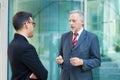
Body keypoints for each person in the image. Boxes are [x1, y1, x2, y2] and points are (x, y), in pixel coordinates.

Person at [56, 10, 101, 80]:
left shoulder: (92, 38)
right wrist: (60, 61)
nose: (71, 23)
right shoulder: (64, 37)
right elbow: (60, 56)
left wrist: (82, 62)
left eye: (74, 21)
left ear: (82, 21)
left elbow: (97, 61)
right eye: (69, 21)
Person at [8, 11, 48, 80]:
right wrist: (31, 77)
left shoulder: (11, 44)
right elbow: (43, 74)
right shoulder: (27, 48)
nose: (33, 27)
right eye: (33, 24)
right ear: (26, 24)